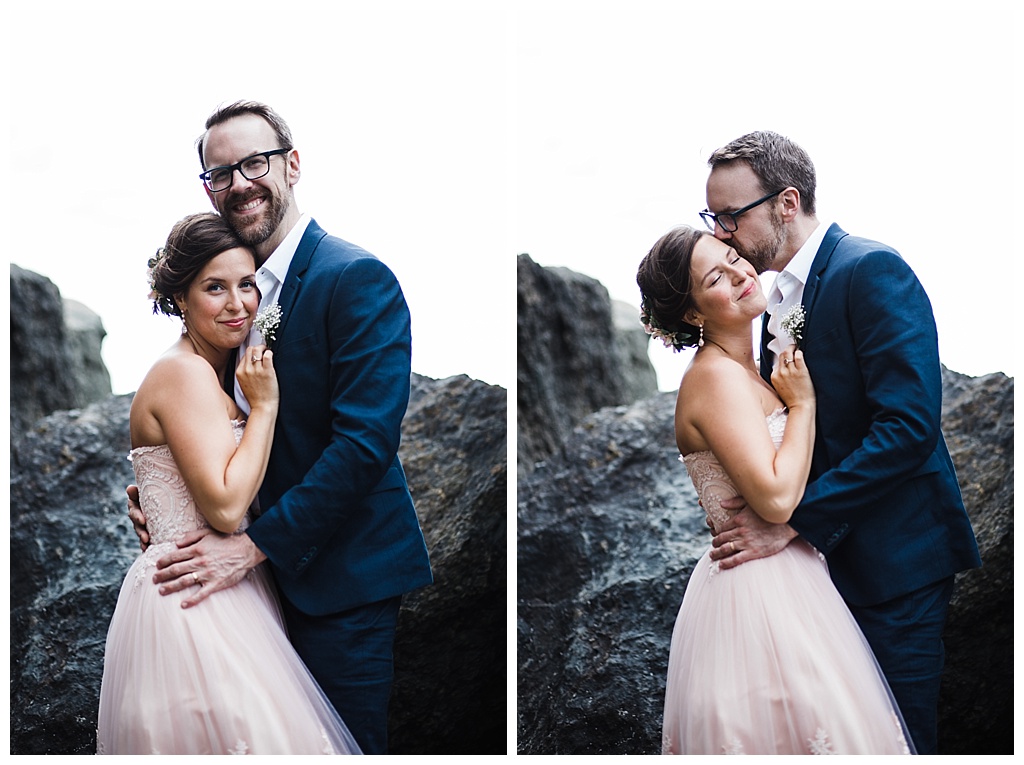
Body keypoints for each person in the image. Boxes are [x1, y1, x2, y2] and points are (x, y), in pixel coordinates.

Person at [127, 101, 433, 754]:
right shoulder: (240, 297)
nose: (239, 182)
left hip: (339, 583)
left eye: (254, 162)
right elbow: (205, 422)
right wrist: (166, 497)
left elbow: (364, 444)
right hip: (248, 592)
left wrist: (251, 545)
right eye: (220, 173)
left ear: (292, 164)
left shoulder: (354, 277)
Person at [698, 130, 981, 754]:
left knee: (897, 741)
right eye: (711, 219)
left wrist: (792, 522)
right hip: (819, 579)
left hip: (895, 566)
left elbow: (908, 427)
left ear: (786, 203)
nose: (720, 233)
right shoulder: (772, 305)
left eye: (729, 217)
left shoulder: (871, 269)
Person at [639, 225, 915, 754]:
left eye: (732, 257)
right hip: (759, 595)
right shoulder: (715, 377)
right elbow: (775, 499)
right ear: (694, 314)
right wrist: (804, 406)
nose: (741, 273)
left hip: (795, 572)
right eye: (717, 277)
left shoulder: (754, 370)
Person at [97, 213, 361, 754]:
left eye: (247, 285)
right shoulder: (183, 373)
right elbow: (223, 507)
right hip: (194, 601)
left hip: (230, 584)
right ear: (180, 298)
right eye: (214, 288)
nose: (238, 304)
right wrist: (264, 408)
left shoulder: (218, 368)